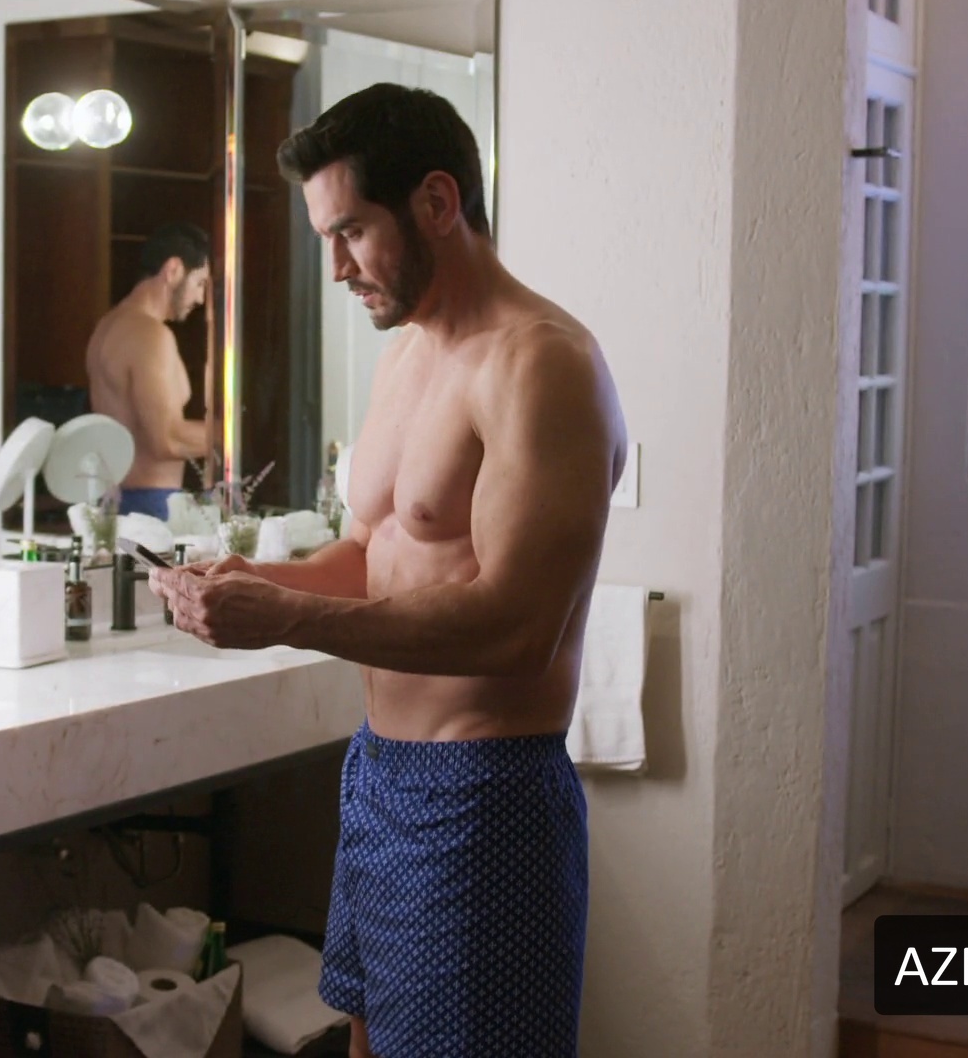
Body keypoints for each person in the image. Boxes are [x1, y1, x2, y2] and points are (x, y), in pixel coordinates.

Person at [151, 83, 627, 1058]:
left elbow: (516, 628)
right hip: (377, 775)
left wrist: (285, 620)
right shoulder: (406, 357)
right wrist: (249, 584)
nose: (335, 267)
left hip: (486, 796)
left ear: (437, 203)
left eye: (352, 232)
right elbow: (374, 555)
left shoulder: (542, 365)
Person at [86, 222, 212, 519]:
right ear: (173, 270)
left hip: (117, 499)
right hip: (148, 503)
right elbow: (166, 439)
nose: (200, 299)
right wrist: (231, 434)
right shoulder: (149, 335)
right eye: (199, 283)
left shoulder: (107, 326)